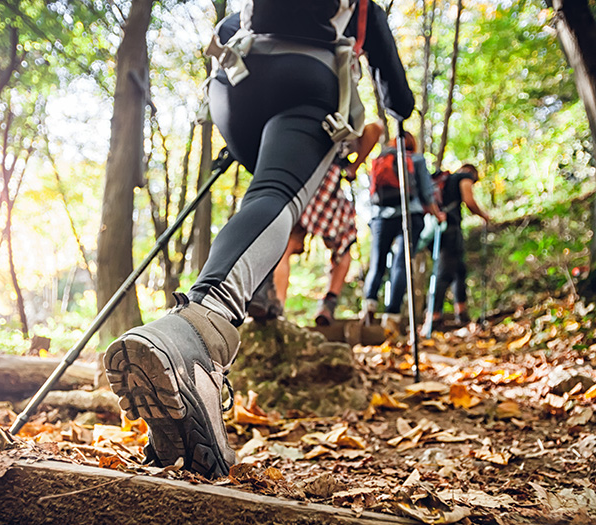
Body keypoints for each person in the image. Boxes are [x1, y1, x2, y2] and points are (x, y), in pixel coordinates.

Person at [103, 1, 414, 479]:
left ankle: (251, 301)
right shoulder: (363, 7)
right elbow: (398, 98)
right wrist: (396, 107)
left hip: (234, 83)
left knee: (262, 194)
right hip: (305, 82)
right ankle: (201, 335)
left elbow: (229, 26)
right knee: (276, 196)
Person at [273, 121, 384, 326]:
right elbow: (376, 128)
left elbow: (375, 129)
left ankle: (278, 306)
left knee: (285, 247)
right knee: (343, 247)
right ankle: (328, 303)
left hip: (301, 180)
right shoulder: (342, 118)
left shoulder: (307, 121)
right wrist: (353, 167)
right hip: (329, 184)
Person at [361, 131, 443, 331]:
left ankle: (369, 305)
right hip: (410, 215)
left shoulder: (381, 159)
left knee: (377, 263)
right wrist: (437, 214)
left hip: (381, 217)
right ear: (411, 144)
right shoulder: (416, 159)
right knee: (401, 264)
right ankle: (391, 315)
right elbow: (426, 193)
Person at [428, 163, 490, 329]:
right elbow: (468, 200)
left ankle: (461, 314)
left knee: (459, 270)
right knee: (445, 272)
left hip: (438, 229)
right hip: (450, 228)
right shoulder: (464, 176)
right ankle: (434, 318)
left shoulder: (445, 180)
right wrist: (483, 215)